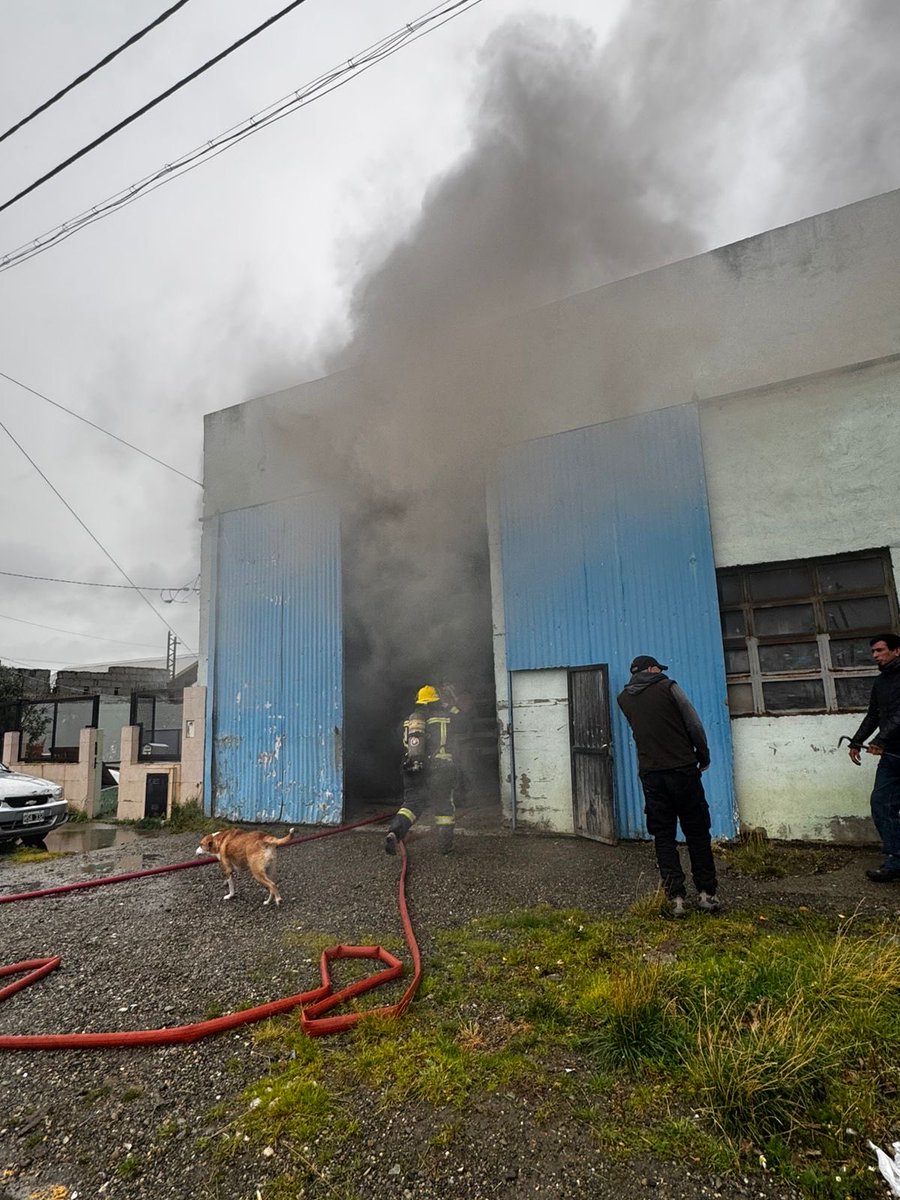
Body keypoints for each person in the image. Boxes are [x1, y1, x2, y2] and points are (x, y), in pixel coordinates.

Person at [617, 654, 720, 917]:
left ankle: (675, 899)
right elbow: (693, 723)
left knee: (663, 836)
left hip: (652, 775)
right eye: (656, 668)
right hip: (683, 771)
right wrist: (703, 756)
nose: (659, 671)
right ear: (651, 669)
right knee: (697, 832)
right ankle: (707, 895)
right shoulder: (668, 686)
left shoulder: (624, 699)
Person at [846, 633, 900, 882]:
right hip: (892, 757)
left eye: (880, 650)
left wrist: (880, 740)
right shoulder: (881, 683)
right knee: (881, 803)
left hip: (890, 747)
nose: (875, 655)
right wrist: (857, 741)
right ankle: (895, 859)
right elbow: (873, 715)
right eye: (873, 652)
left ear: (897, 651)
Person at [385, 684, 458, 855]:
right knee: (444, 807)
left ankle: (394, 832)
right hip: (441, 768)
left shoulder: (408, 721)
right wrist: (451, 704)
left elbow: (400, 739)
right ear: (436, 701)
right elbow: (464, 720)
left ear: (418, 701)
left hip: (412, 768)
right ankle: (444, 846)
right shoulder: (446, 717)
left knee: (411, 805)